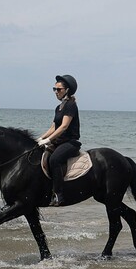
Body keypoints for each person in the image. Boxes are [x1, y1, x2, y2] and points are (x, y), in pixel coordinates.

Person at [36, 74, 81, 207]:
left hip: (70, 143)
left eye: (59, 89)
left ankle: (59, 195)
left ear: (67, 90)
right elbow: (53, 127)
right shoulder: (58, 108)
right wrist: (41, 138)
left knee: (55, 159)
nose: (56, 92)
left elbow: (64, 126)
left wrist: (48, 139)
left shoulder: (71, 105)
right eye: (54, 89)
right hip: (58, 142)